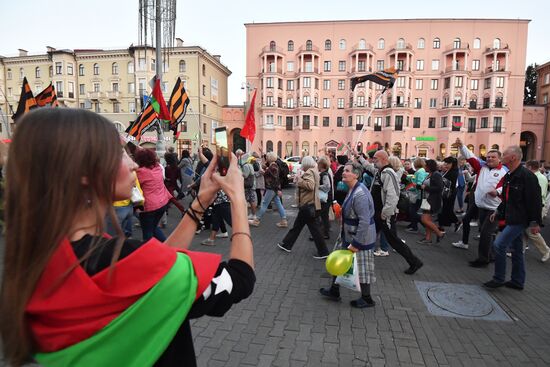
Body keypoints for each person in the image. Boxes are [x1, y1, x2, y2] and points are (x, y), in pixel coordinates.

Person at [0, 108, 255, 367]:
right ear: (84, 172)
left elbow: (154, 267)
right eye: (120, 152)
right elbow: (240, 279)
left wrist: (200, 202)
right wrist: (237, 199)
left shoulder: (37, 258)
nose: (132, 162)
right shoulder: (122, 260)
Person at [319, 162, 378, 308]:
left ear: (356, 175)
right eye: (344, 170)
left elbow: (364, 221)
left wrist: (357, 243)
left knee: (363, 267)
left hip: (360, 237)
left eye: (347, 171)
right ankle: (334, 290)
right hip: (348, 234)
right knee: (337, 259)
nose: (343, 173)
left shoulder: (360, 194)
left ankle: (367, 298)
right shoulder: (352, 189)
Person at [484, 146, 542, 290]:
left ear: (513, 158)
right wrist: (498, 212)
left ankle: (498, 278)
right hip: (512, 217)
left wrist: (535, 222)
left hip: (520, 219)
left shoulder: (527, 177)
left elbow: (534, 201)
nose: (502, 156)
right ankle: (517, 281)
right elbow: (507, 198)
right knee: (516, 249)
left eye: (504, 154)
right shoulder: (509, 175)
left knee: (499, 245)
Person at [452, 139, 507, 268]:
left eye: (493, 157)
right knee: (487, 232)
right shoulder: (481, 167)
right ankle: (492, 255)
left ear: (500, 159)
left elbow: (505, 186)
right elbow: (471, 158)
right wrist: (462, 146)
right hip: (481, 206)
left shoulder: (504, 171)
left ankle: (483, 259)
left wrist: (497, 192)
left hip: (494, 208)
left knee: (486, 234)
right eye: (488, 156)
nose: (489, 159)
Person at [370, 150, 423, 274]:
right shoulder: (380, 171)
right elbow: (368, 167)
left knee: (394, 241)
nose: (373, 161)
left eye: (375, 159)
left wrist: (385, 213)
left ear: (383, 159)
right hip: (379, 213)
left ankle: (414, 262)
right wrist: (358, 157)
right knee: (368, 236)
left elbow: (393, 196)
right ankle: (358, 260)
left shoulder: (388, 173)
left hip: (384, 215)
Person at [277, 156, 329, 259]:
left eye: (302, 163)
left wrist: (299, 180)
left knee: (302, 228)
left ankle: (323, 252)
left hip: (307, 204)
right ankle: (287, 244)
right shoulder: (314, 171)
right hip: (310, 204)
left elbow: (310, 185)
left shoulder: (309, 172)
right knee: (306, 228)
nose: (301, 165)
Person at [135, 148, 173, 242]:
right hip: (162, 203)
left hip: (149, 207)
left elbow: (133, 183)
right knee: (153, 227)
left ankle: (151, 252)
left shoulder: (141, 172)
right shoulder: (158, 168)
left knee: (148, 234)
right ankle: (167, 245)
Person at [249, 152, 287, 228]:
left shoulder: (273, 166)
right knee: (278, 204)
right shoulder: (274, 165)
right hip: (274, 188)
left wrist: (263, 172)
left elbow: (269, 175)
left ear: (269, 158)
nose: (266, 158)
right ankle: (284, 220)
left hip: (271, 188)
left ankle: (257, 220)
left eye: (267, 157)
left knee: (265, 204)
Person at [522, 160, 550, 262]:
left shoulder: (540, 178)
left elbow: (537, 196)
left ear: (530, 167)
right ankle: (520, 250)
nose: (524, 168)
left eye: (525, 166)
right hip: (532, 208)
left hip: (537, 208)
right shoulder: (534, 177)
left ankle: (546, 250)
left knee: (531, 231)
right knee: (525, 229)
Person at [417, 159, 445, 244]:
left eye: (426, 166)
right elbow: (425, 185)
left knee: (424, 219)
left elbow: (439, 188)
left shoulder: (436, 175)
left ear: (430, 166)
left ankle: (439, 233)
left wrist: (425, 188)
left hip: (432, 200)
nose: (424, 167)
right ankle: (428, 238)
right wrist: (419, 186)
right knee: (427, 220)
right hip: (426, 199)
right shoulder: (430, 174)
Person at [406, 158, 429, 233]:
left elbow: (418, 183)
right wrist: (409, 176)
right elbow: (415, 180)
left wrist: (411, 186)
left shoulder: (420, 171)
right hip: (418, 194)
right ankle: (414, 225)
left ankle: (425, 225)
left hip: (418, 195)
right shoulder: (420, 171)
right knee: (413, 210)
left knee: (413, 211)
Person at [437, 156, 459, 229]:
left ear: (452, 163)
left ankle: (455, 222)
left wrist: (441, 178)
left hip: (450, 192)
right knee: (446, 209)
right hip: (447, 191)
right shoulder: (449, 170)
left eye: (448, 163)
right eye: (445, 163)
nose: (446, 165)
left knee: (447, 209)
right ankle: (445, 224)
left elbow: (449, 182)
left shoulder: (454, 171)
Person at [317, 156, 333, 239]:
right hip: (328, 198)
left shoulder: (324, 174)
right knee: (324, 216)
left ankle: (325, 233)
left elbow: (327, 186)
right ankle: (325, 232)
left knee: (323, 216)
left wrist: (318, 186)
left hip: (325, 198)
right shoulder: (326, 173)